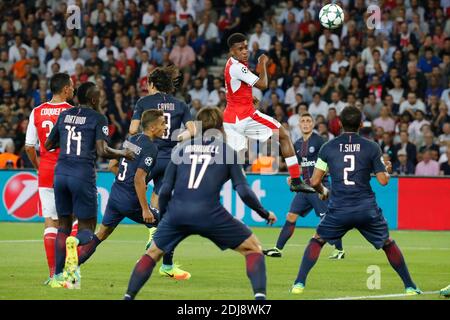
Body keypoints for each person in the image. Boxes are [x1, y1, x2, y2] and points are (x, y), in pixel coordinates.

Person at [123, 107, 277, 300]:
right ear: (221, 127)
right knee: (253, 248)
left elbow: (164, 191)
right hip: (210, 213)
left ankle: (128, 297)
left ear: (197, 126)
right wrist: (264, 213)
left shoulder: (180, 149)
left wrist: (164, 220)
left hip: (177, 213)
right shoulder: (227, 151)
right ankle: (260, 300)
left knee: (153, 253)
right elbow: (244, 191)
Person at [290, 106, 422, 296]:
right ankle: (410, 286)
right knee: (387, 243)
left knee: (317, 240)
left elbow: (315, 181)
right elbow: (383, 181)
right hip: (366, 209)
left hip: (339, 208)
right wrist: (388, 170)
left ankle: (298, 284)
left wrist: (323, 191)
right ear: (361, 124)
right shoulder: (371, 147)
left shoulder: (328, 147)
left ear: (340, 124)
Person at [44, 82, 135, 289]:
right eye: (99, 96)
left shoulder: (65, 115)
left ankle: (57, 277)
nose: (101, 99)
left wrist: (68, 138)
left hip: (60, 173)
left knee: (63, 226)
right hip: (82, 175)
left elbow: (48, 145)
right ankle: (75, 243)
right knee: (86, 228)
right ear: (94, 99)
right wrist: (123, 153)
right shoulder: (98, 118)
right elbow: (103, 151)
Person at [223, 33, 315, 194]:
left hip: (230, 119)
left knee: (232, 162)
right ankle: (295, 180)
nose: (245, 51)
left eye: (246, 47)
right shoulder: (239, 67)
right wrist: (263, 63)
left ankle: (204, 184)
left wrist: (248, 98)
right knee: (284, 136)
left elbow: (232, 89)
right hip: (245, 117)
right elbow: (264, 84)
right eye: (240, 49)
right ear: (232, 51)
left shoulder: (230, 64)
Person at [128, 66, 195, 279]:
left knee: (134, 188)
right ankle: (167, 263)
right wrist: (177, 137)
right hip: (170, 158)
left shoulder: (143, 102)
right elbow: (193, 130)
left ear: (152, 84)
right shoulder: (180, 104)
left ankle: (152, 232)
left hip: (148, 152)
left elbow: (132, 130)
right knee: (165, 208)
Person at [263, 113, 345, 259]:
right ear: (299, 125)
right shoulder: (297, 144)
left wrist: (321, 175)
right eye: (303, 121)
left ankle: (339, 250)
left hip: (319, 186)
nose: (306, 123)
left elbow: (331, 161)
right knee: (291, 215)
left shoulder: (320, 141)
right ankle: (278, 248)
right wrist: (293, 177)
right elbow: (300, 165)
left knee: (327, 218)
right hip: (304, 187)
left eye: (308, 121)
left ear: (313, 124)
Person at [24, 73, 74, 285]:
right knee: (70, 221)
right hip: (68, 170)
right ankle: (70, 274)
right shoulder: (72, 112)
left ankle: (54, 274)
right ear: (64, 89)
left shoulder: (37, 111)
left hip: (46, 170)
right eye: (71, 86)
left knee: (50, 222)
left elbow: (28, 146)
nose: (73, 89)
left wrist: (39, 166)